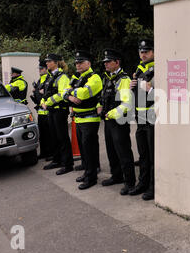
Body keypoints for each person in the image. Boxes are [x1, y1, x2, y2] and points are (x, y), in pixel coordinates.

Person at [98, 49, 136, 196]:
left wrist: (112, 113)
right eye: (105, 62)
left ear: (117, 62)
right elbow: (103, 97)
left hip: (119, 121)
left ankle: (130, 182)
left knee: (123, 152)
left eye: (109, 61)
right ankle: (116, 176)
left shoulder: (124, 79)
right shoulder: (107, 78)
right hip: (108, 120)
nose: (106, 64)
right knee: (111, 150)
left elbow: (127, 103)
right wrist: (100, 108)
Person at [63, 50, 103, 190]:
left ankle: (91, 178)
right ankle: (87, 172)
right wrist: (70, 96)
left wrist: (70, 93)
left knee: (89, 149)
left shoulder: (94, 77)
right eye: (76, 63)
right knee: (84, 150)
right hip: (79, 119)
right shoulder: (76, 77)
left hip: (90, 118)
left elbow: (85, 94)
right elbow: (63, 91)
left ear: (88, 63)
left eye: (81, 62)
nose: (78, 65)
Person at [129, 39, 155, 200]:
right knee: (143, 155)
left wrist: (151, 88)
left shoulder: (158, 68)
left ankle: (153, 187)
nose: (143, 54)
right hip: (140, 118)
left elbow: (167, 94)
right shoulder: (139, 69)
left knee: (152, 155)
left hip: (152, 118)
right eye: (141, 51)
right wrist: (132, 87)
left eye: (146, 51)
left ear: (153, 52)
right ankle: (142, 183)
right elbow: (137, 96)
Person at [41, 53, 74, 175]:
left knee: (62, 137)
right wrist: (43, 101)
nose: (47, 63)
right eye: (47, 61)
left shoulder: (63, 77)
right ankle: (57, 160)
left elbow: (62, 94)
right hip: (51, 110)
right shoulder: (50, 76)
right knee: (54, 137)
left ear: (55, 62)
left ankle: (67, 164)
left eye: (49, 61)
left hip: (59, 110)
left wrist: (48, 101)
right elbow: (46, 92)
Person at [30, 60, 52, 159]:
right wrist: (35, 91)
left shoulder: (49, 78)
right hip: (40, 111)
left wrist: (41, 92)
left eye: (41, 68)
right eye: (39, 68)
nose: (39, 70)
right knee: (42, 135)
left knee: (49, 135)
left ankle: (50, 153)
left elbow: (48, 93)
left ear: (46, 69)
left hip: (47, 111)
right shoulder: (40, 80)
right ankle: (44, 153)